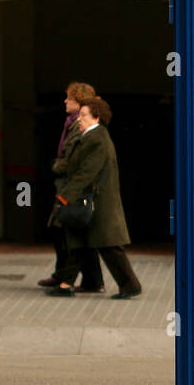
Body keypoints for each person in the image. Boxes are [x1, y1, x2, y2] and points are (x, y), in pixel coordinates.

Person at [46, 96, 143, 299]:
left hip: (98, 202)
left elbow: (87, 172)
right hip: (92, 200)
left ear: (96, 117)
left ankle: (130, 285)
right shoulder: (92, 136)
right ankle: (66, 284)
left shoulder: (96, 138)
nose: (78, 119)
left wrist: (65, 197)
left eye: (83, 115)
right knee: (80, 242)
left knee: (109, 246)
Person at [38, 83, 105, 293]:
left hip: (73, 187)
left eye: (69, 98)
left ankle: (67, 278)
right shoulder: (73, 123)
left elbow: (73, 159)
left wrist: (57, 167)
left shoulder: (80, 126)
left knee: (68, 232)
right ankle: (87, 279)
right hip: (69, 185)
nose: (65, 101)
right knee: (70, 232)